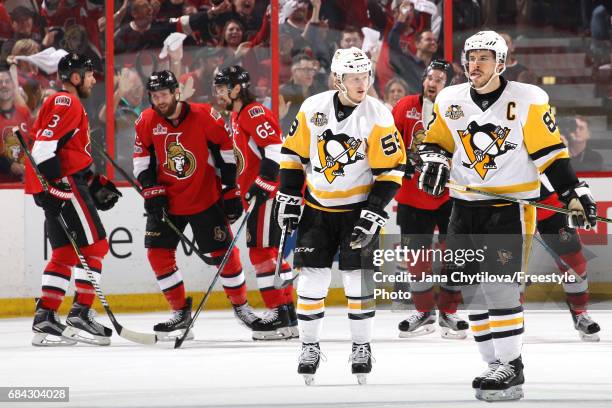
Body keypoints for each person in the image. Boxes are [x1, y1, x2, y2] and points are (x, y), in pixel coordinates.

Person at [418, 31, 597, 401]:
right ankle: (493, 363)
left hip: (509, 209)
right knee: (470, 289)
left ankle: (512, 366)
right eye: (470, 58)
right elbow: (437, 140)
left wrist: (573, 191)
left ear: (501, 63)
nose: (475, 65)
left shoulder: (529, 99)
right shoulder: (450, 99)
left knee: (499, 286)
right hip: (463, 207)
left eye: (484, 58)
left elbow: (550, 153)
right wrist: (433, 158)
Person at [277, 47, 406, 385]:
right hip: (317, 210)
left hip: (357, 211)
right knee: (312, 280)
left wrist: (373, 211)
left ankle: (361, 346)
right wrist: (289, 197)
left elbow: (391, 172)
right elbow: (292, 155)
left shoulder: (378, 115)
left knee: (357, 280)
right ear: (338, 79)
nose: (362, 83)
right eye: (354, 77)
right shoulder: (313, 108)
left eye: (365, 76)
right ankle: (309, 346)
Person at [132, 70, 260, 341]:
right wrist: (150, 189)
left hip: (205, 198)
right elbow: (141, 160)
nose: (159, 101)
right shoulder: (145, 120)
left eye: (163, 95)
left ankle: (242, 307)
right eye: (154, 96)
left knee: (224, 254)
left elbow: (226, 153)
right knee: (157, 254)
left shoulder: (205, 115)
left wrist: (230, 191)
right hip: (166, 201)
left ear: (176, 92)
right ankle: (180, 313)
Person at [25, 53, 122, 346]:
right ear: (76, 77)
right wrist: (54, 189)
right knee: (97, 246)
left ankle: (45, 317)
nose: (93, 79)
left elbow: (62, 150)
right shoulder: (67, 101)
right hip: (64, 185)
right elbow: (43, 150)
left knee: (66, 254)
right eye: (89, 74)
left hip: (62, 184)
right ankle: (80, 312)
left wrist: (90, 181)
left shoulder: (62, 103)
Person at [213, 65, 297, 341]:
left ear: (237, 88)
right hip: (262, 193)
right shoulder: (237, 115)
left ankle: (278, 314)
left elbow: (275, 147)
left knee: (262, 253)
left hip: (269, 193)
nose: (218, 94)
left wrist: (264, 182)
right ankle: (287, 316)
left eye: (222, 88)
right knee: (268, 252)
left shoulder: (253, 112)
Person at [392, 59, 469, 339]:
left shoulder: (457, 109)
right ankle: (424, 312)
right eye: (430, 77)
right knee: (417, 258)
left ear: (449, 84)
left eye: (439, 79)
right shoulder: (405, 106)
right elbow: (390, 143)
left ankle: (449, 313)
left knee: (456, 255)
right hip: (412, 197)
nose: (433, 83)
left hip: (450, 196)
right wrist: (402, 162)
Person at [533, 175, 601, 341]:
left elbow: (559, 165)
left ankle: (580, 314)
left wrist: (578, 194)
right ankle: (507, 316)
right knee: (508, 261)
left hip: (550, 202)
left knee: (573, 260)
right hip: (510, 204)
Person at [0, 64, 30, 183]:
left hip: (24, 185)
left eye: (7, 81)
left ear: (13, 85)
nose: (4, 85)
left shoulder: (24, 113)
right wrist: (9, 166)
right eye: (0, 82)